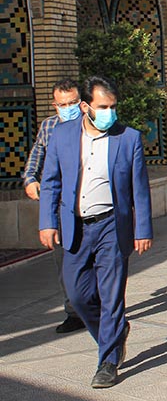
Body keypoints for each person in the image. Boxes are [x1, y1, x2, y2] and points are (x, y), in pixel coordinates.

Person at [38, 76, 152, 388]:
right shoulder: (62, 135)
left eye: (113, 107)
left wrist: (142, 229)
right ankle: (115, 332)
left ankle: (108, 361)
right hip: (75, 226)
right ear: (85, 106)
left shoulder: (127, 138)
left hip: (111, 226)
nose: (109, 113)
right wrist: (47, 222)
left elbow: (139, 189)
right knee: (78, 295)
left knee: (111, 295)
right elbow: (50, 182)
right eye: (103, 107)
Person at [22, 79, 86, 334]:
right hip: (61, 205)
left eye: (73, 103)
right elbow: (36, 156)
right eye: (62, 104)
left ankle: (100, 308)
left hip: (89, 204)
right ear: (54, 105)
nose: (68, 108)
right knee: (65, 262)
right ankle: (74, 311)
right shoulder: (49, 126)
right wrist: (30, 179)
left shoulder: (91, 125)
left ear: (82, 102)